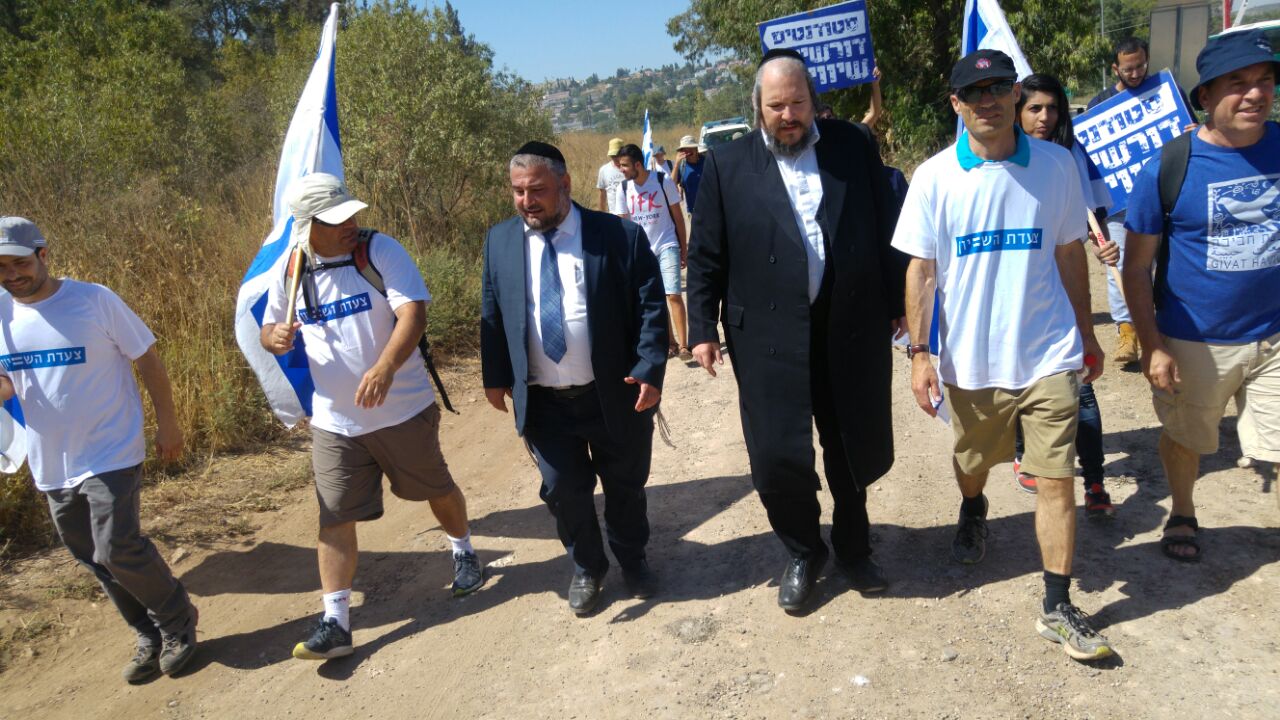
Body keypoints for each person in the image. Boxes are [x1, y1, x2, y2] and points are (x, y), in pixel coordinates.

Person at [895, 50, 1114, 661]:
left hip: (1048, 351)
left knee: (1056, 479)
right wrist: (919, 354)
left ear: (1016, 94)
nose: (987, 100)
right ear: (956, 103)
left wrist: (1086, 333)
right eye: (974, 91)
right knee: (973, 461)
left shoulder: (1056, 164)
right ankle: (973, 506)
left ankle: (1057, 605)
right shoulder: (934, 176)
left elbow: (1069, 252)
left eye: (998, 87)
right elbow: (921, 269)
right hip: (972, 360)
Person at [686, 49, 906, 612]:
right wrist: (702, 328)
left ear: (813, 101)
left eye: (798, 103)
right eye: (776, 106)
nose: (788, 116)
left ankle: (854, 547)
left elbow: (886, 227)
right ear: (758, 108)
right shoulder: (726, 165)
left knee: (850, 445)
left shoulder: (852, 146)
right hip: (766, 336)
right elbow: (706, 253)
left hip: (846, 326)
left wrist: (899, 301)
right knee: (777, 456)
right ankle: (805, 551)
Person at [261, 174, 482, 661]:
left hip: (402, 409)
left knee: (436, 488)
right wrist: (272, 338)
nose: (351, 224)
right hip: (334, 422)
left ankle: (464, 550)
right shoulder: (291, 268)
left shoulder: (378, 251)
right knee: (335, 516)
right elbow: (269, 328)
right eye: (336, 220)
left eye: (351, 214)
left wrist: (385, 368)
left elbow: (413, 314)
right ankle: (336, 622)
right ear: (307, 226)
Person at [0, 217, 198, 683]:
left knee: (116, 547)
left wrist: (168, 423)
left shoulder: (93, 300)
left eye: (20, 263)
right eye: (1, 268)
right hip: (52, 460)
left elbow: (147, 357)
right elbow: (10, 384)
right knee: (91, 555)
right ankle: (147, 632)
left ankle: (177, 620)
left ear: (43, 255)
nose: (12, 275)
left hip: (111, 448)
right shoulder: (1, 315)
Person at [481, 142, 668, 614]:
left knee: (624, 486)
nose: (527, 201)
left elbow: (650, 306)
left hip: (614, 394)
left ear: (564, 184)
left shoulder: (617, 235)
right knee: (563, 490)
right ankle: (587, 566)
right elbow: (493, 310)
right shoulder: (500, 242)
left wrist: (649, 369)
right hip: (544, 402)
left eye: (537, 190)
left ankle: (633, 560)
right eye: (518, 191)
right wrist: (495, 375)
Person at [1121, 30, 1279, 563]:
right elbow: (1136, 267)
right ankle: (1183, 511)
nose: (1255, 93)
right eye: (1238, 83)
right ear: (1205, 97)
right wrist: (1152, 345)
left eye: (1264, 81)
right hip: (1195, 341)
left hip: (1275, 336)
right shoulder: (1169, 166)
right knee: (1186, 438)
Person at [1013, 73, 1118, 518]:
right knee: (1018, 383)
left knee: (1083, 389)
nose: (1045, 117)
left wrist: (1103, 244)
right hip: (1020, 298)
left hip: (1064, 296)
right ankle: (1023, 450)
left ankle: (1094, 480)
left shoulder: (1069, 157)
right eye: (1034, 108)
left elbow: (1089, 217)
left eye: (1052, 108)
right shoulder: (999, 159)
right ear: (1016, 110)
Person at [1087, 37, 1196, 365]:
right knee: (1119, 263)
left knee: (1169, 262)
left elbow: (1193, 136)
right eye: (1128, 69)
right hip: (1119, 204)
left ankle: (1169, 327)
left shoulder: (1168, 92)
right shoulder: (1099, 105)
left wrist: (1195, 131)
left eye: (1140, 66)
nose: (1135, 73)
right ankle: (1127, 331)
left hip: (1166, 195)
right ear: (1115, 68)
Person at [615, 143, 690, 360]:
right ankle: (670, 342)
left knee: (673, 294)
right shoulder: (623, 189)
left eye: (625, 165)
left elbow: (678, 217)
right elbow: (623, 226)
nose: (621, 170)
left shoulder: (662, 181)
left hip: (667, 244)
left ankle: (684, 345)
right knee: (657, 298)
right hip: (642, 251)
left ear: (638, 164)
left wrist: (683, 248)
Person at [673, 135, 705, 216]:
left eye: (690, 149)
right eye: (685, 150)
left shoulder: (706, 161)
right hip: (693, 212)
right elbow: (671, 184)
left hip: (711, 208)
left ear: (696, 149)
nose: (688, 152)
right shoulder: (681, 166)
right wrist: (676, 164)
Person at [596, 137, 627, 214]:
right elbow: (602, 195)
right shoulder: (604, 170)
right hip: (614, 215)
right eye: (612, 156)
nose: (615, 158)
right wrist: (602, 216)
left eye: (617, 155)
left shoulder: (631, 169)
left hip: (632, 215)